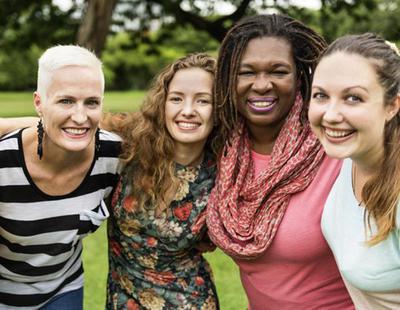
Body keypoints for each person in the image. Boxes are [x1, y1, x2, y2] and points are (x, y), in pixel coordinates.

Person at [206, 14, 354, 309]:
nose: (262, 85)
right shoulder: (222, 152)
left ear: (300, 77)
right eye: (246, 72)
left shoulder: (336, 148)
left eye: (278, 71)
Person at [0, 45, 121, 309]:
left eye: (91, 102)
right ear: (39, 103)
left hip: (64, 289)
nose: (80, 117)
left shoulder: (113, 157)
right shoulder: (4, 164)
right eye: (65, 101)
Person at [104, 53, 219, 309]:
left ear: (219, 108)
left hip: (191, 301)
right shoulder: (129, 144)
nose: (187, 111)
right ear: (162, 104)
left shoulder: (224, 171)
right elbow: (63, 127)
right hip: (123, 299)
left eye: (203, 100)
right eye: (176, 98)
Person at [309, 33, 400, 309]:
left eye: (353, 98)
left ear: (392, 105)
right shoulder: (351, 155)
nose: (331, 114)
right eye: (321, 95)